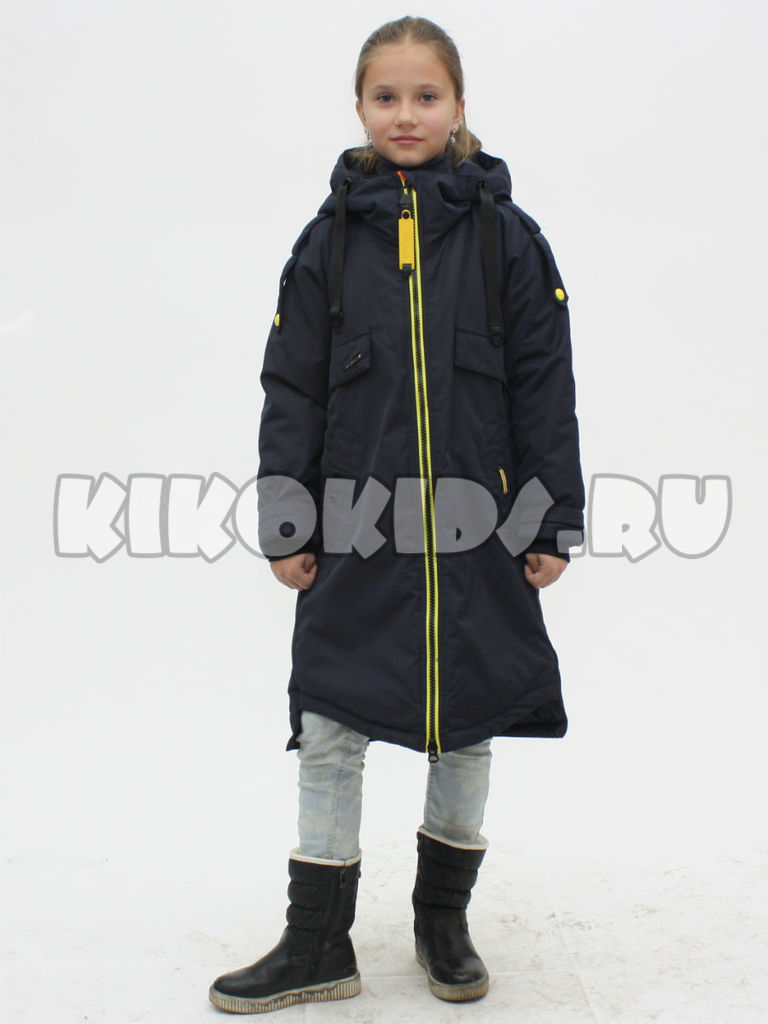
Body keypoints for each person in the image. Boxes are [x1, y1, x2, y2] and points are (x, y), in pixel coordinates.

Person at [209, 14, 585, 1016]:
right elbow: (292, 389)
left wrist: (549, 516)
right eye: (387, 97)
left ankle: (441, 919)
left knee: (467, 724)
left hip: (477, 531)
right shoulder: (327, 244)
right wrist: (288, 519)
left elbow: (545, 384)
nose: (406, 114)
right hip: (359, 529)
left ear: (459, 105)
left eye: (427, 95)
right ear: (360, 108)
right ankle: (317, 940)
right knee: (329, 722)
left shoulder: (508, 238)